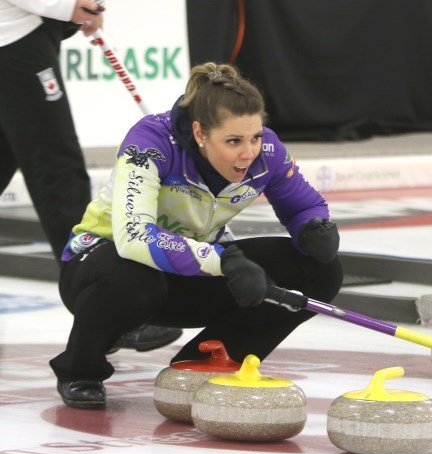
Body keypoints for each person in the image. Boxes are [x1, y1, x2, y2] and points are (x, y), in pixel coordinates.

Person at [49, 62, 343, 409]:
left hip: (188, 273)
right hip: (103, 270)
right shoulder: (150, 143)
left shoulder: (267, 153)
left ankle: (207, 361)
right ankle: (81, 369)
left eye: (256, 136)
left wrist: (314, 229)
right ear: (200, 133)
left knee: (320, 270)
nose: (248, 152)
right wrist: (222, 259)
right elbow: (133, 236)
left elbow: (302, 206)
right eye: (233, 141)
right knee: (128, 273)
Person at [0, 0, 182, 352]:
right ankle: (106, 312)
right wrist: (66, 5)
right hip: (15, 41)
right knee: (58, 175)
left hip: (20, 35)